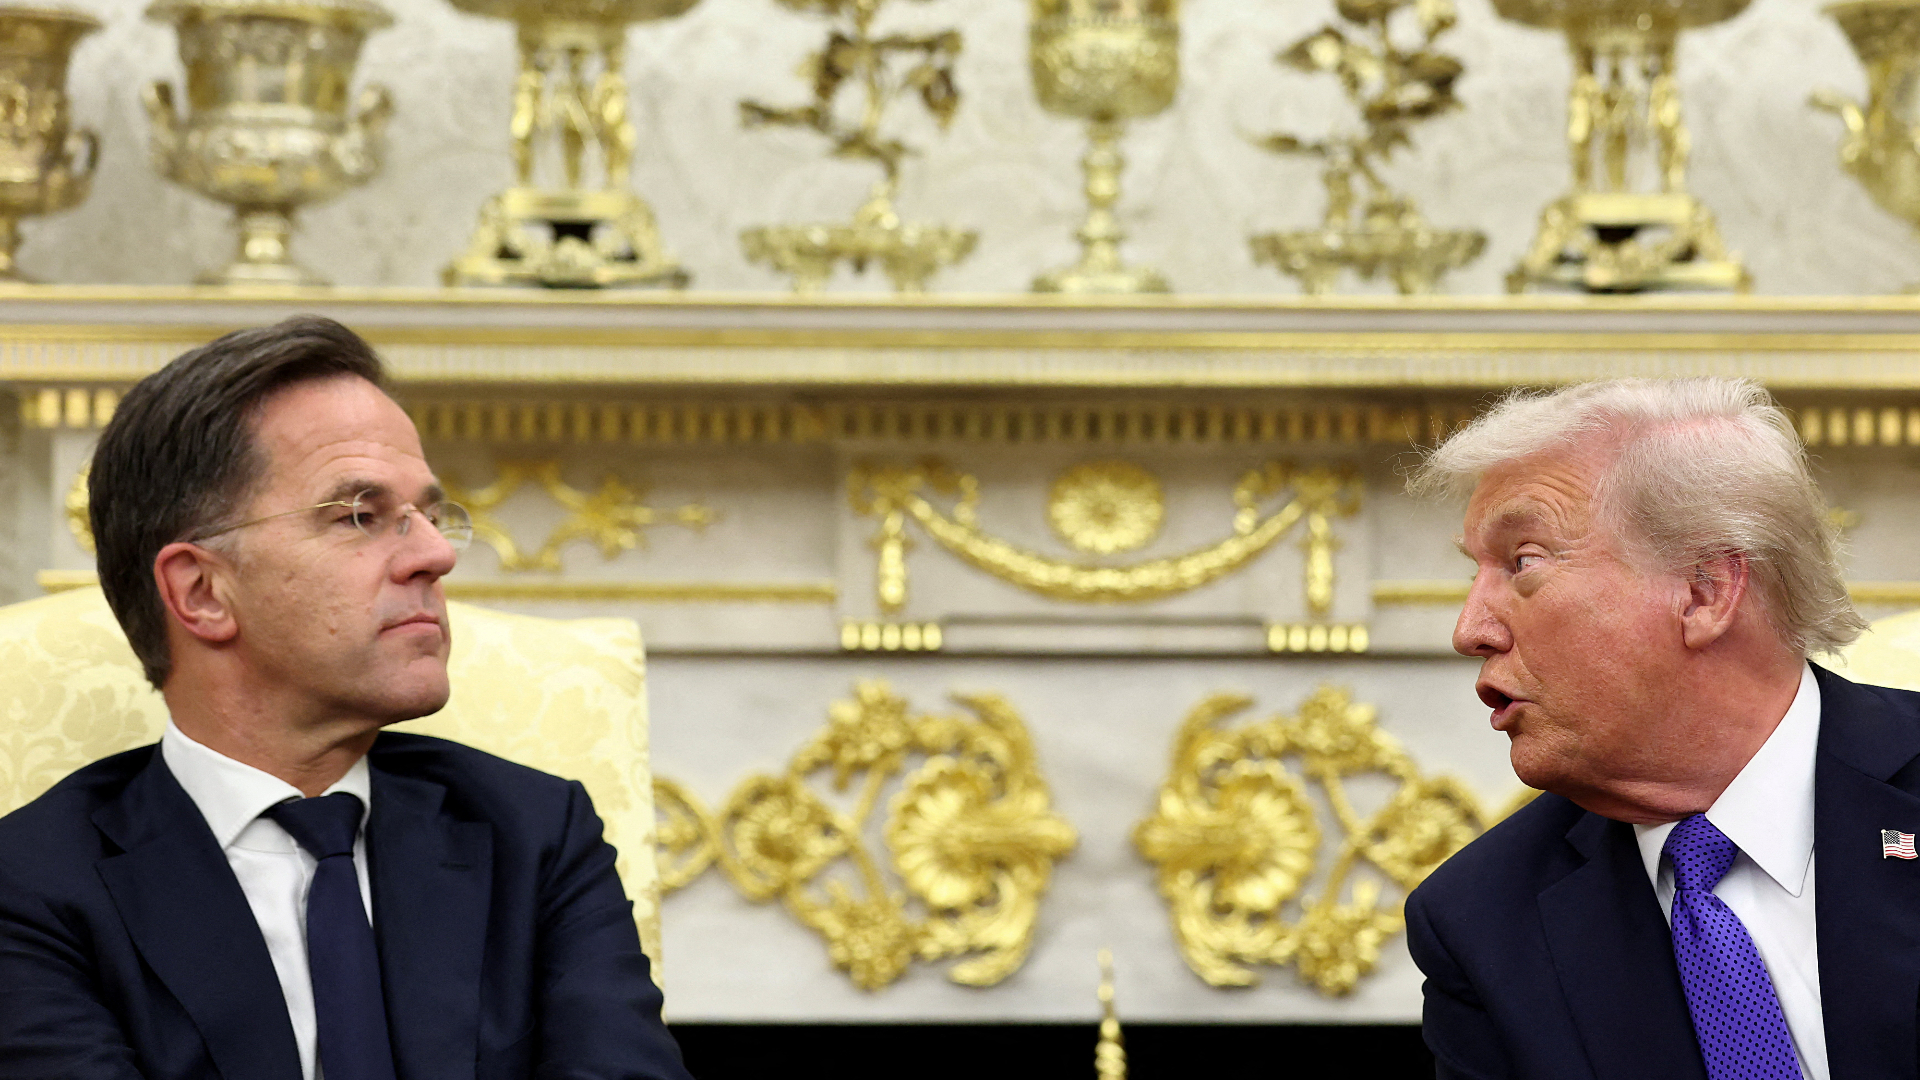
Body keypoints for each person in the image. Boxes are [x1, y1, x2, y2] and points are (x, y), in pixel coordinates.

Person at [0, 317, 693, 1080]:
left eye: (429, 515)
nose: (435, 553)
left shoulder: (535, 835)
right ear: (201, 592)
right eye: (360, 515)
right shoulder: (32, 889)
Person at [1405, 377, 1920, 1080]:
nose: (1470, 630)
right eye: (1476, 573)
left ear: (1705, 592)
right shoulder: (1482, 924)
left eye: (1523, 561)